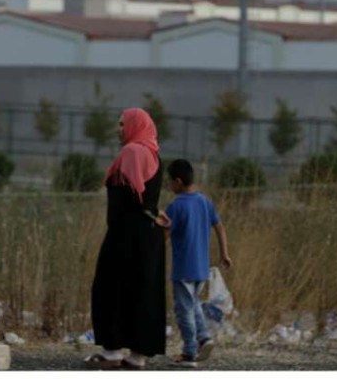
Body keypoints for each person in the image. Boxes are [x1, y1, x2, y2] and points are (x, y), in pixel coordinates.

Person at [84, 108, 166, 370]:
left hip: (127, 235)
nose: (119, 129)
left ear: (134, 125)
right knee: (143, 292)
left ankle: (111, 351)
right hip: (148, 234)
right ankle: (137, 356)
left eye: (122, 124)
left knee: (111, 287)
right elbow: (147, 198)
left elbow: (133, 194)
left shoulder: (132, 152)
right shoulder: (154, 153)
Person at [156, 158, 232, 368]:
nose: (170, 186)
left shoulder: (176, 206)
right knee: (194, 304)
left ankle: (189, 352)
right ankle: (204, 338)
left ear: (178, 182)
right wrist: (224, 254)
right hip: (201, 268)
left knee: (183, 309)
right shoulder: (205, 202)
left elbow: (165, 235)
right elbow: (220, 228)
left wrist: (157, 225)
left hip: (183, 269)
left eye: (170, 182)